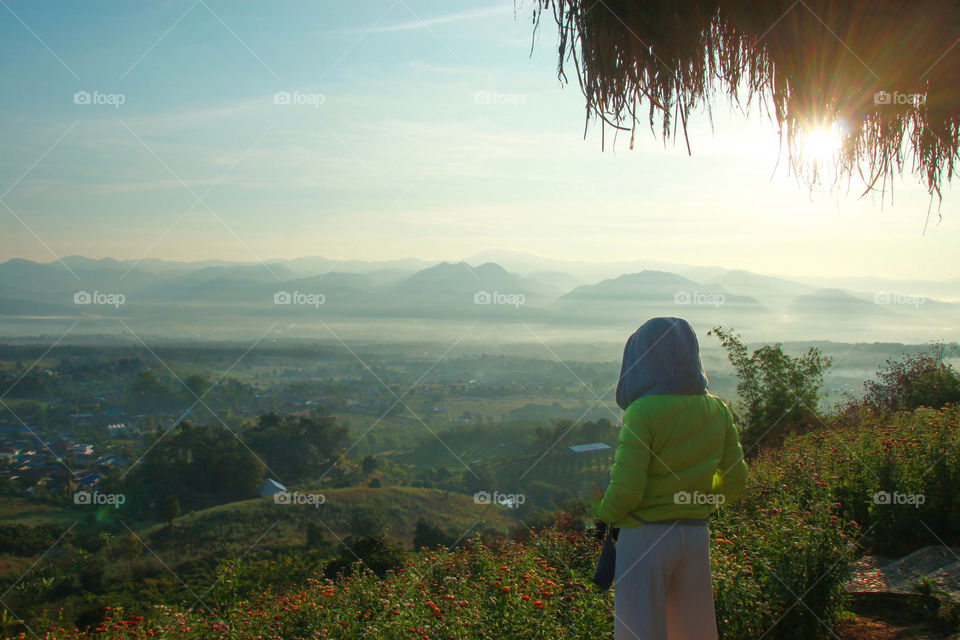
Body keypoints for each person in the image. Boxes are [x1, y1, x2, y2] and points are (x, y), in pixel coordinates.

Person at [594, 317, 748, 640]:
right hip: (694, 535)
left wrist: (603, 516)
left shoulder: (642, 412)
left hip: (643, 538)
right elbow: (734, 482)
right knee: (694, 630)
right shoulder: (717, 410)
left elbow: (627, 489)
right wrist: (697, 500)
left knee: (639, 630)